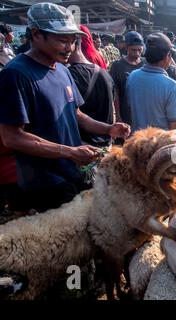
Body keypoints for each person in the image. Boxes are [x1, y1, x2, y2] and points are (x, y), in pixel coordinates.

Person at [0, 3, 130, 212]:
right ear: (36, 34)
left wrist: (108, 129)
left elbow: (76, 114)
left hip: (72, 174)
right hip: (43, 183)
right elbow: (12, 137)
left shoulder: (62, 70)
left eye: (72, 40)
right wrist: (68, 151)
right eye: (62, 40)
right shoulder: (15, 74)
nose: (69, 47)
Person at [127, 32, 176, 132]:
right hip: (159, 144)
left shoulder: (132, 76)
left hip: (136, 142)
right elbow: (174, 126)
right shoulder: (172, 86)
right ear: (167, 56)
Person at [68, 37, 115, 148]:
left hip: (83, 147)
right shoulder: (105, 73)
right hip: (106, 143)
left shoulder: (69, 75)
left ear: (73, 45)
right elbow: (112, 107)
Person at [110, 31, 145, 125]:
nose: (137, 53)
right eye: (133, 50)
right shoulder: (117, 66)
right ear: (126, 47)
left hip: (144, 113)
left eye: (139, 50)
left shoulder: (146, 64)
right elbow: (115, 92)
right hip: (126, 113)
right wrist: (117, 116)